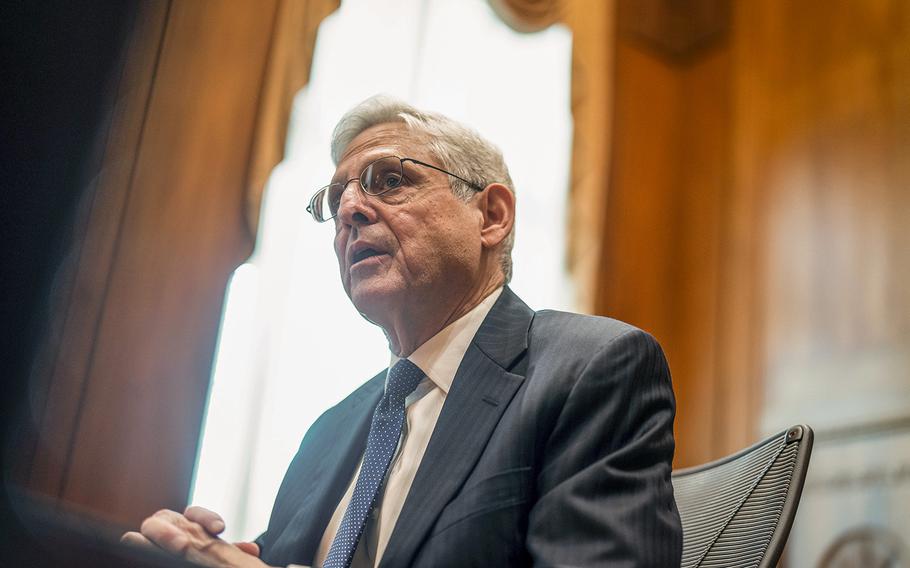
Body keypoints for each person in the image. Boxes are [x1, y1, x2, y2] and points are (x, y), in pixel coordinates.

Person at [123, 96, 682, 567]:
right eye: (335, 198)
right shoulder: (329, 432)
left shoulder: (592, 369)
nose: (350, 211)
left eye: (389, 181)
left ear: (491, 216)